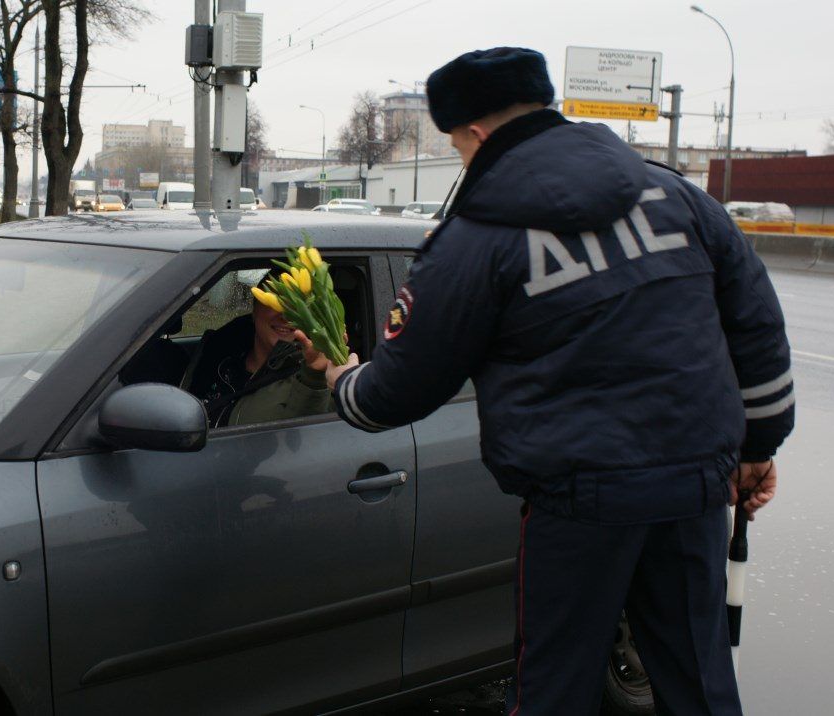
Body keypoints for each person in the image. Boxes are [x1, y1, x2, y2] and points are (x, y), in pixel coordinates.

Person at [315, 47, 791, 715]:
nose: (460, 158)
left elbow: (402, 388)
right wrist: (759, 445)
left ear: (477, 134)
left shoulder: (476, 241)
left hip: (580, 499)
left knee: (555, 686)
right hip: (694, 479)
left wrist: (342, 382)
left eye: (455, 145)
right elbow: (757, 324)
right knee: (700, 681)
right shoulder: (677, 197)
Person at [180, 284, 333, 428]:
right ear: (254, 311)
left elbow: (305, 433)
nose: (286, 316)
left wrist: (315, 376)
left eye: (297, 306)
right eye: (275, 302)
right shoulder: (220, 355)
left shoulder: (309, 379)